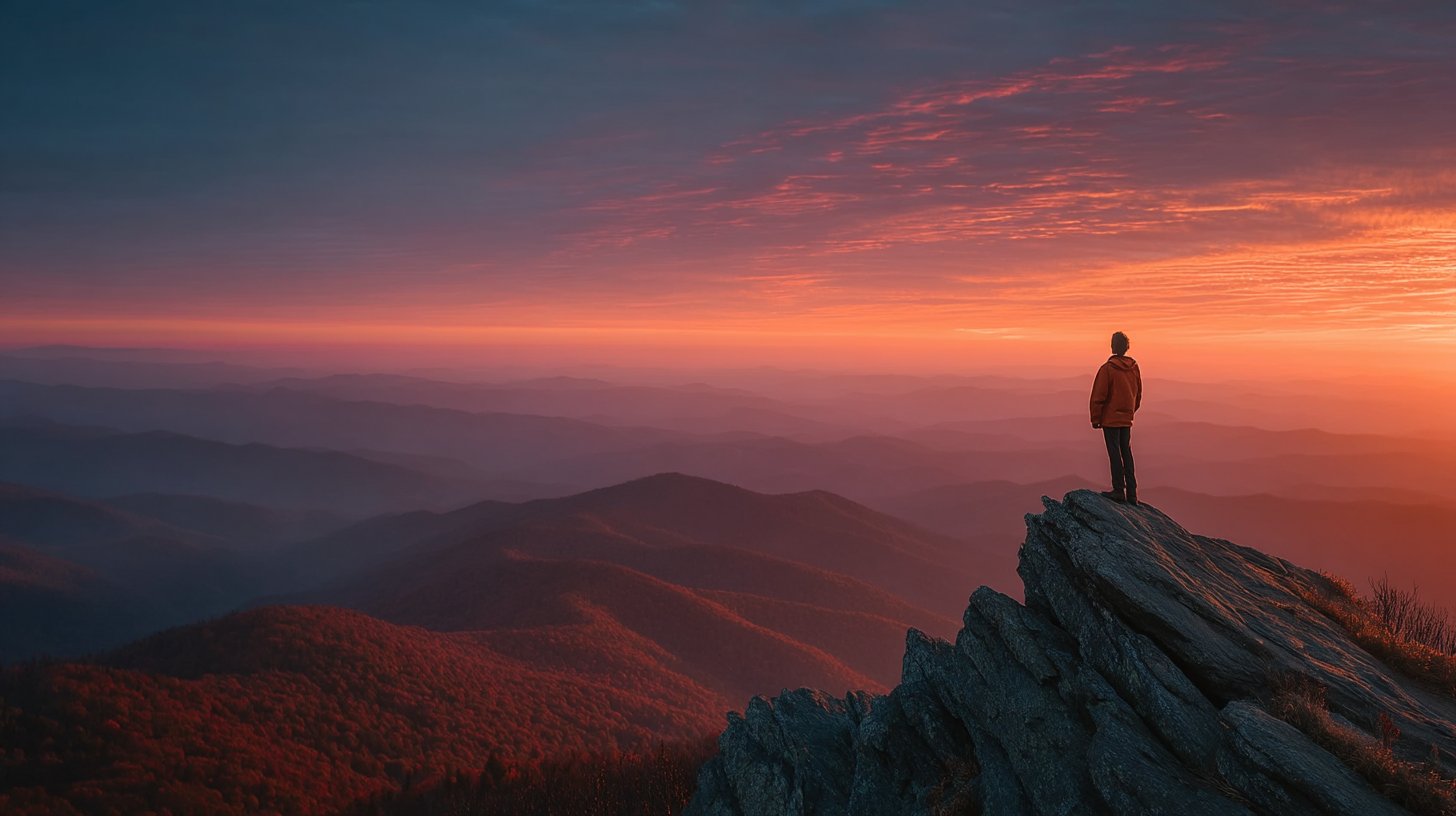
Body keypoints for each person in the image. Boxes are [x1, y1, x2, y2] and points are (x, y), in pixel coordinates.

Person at [1090, 331, 1142, 505]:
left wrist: (1096, 418)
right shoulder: (1134, 368)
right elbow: (1138, 393)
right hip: (1126, 418)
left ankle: (1119, 490)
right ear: (1126, 347)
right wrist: (1130, 411)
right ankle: (1132, 493)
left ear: (1112, 346)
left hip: (1110, 419)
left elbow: (1099, 396)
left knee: (1114, 452)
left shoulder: (1107, 369)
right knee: (1126, 452)